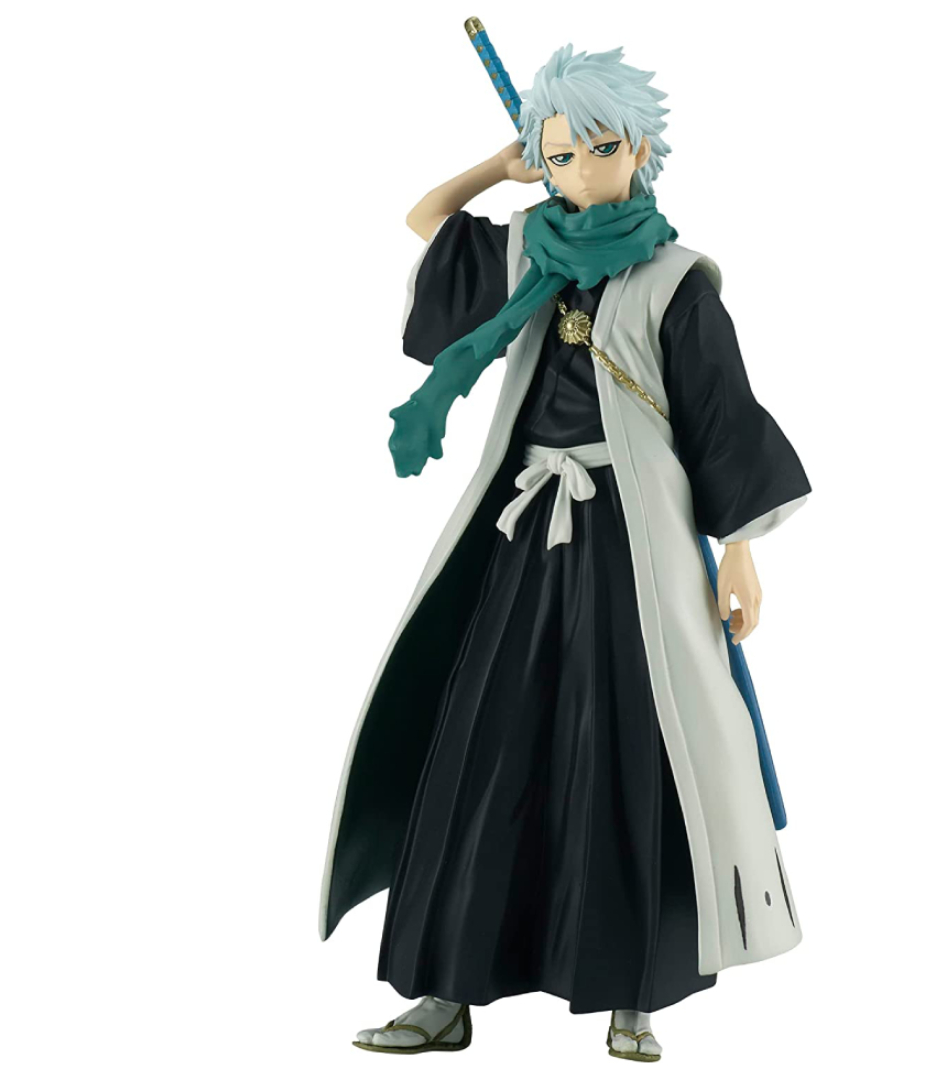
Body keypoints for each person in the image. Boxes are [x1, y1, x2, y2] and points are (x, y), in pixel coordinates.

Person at [319, 44, 811, 1062]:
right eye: (559, 155)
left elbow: (722, 420)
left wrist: (739, 550)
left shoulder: (675, 282)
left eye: (598, 149)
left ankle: (638, 988)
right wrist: (496, 172)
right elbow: (426, 222)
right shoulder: (525, 252)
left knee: (634, 748)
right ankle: (446, 988)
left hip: (635, 548)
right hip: (522, 540)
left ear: (638, 150)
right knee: (480, 744)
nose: (580, 170)